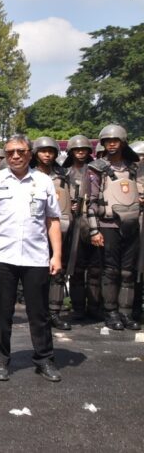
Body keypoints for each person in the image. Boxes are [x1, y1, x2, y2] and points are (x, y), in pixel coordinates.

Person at [0, 135, 63, 382]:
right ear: (4, 154)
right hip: (3, 255)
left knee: (40, 313)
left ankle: (44, 359)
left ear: (29, 153)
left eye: (20, 151)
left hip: (36, 256)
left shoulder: (44, 181)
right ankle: (1, 361)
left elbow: (52, 220)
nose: (15, 156)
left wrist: (56, 254)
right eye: (10, 152)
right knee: (1, 313)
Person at [84, 124, 143, 330]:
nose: (111, 144)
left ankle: (126, 313)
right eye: (107, 141)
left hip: (131, 225)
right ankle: (111, 312)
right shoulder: (96, 168)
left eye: (115, 141)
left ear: (123, 142)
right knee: (110, 271)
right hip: (108, 225)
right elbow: (90, 201)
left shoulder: (133, 168)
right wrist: (94, 230)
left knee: (127, 271)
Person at [31, 137, 75, 330]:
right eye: (43, 151)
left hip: (60, 227)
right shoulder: (30, 174)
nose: (47, 154)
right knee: (37, 273)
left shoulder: (64, 174)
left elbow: (74, 196)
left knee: (58, 271)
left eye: (51, 151)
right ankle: (39, 312)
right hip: (35, 229)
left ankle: (55, 312)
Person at [63, 135, 101, 321]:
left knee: (95, 269)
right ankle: (77, 307)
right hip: (73, 224)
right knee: (76, 269)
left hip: (94, 222)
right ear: (70, 152)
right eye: (77, 150)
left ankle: (94, 307)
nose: (80, 152)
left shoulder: (96, 170)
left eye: (84, 149)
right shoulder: (65, 172)